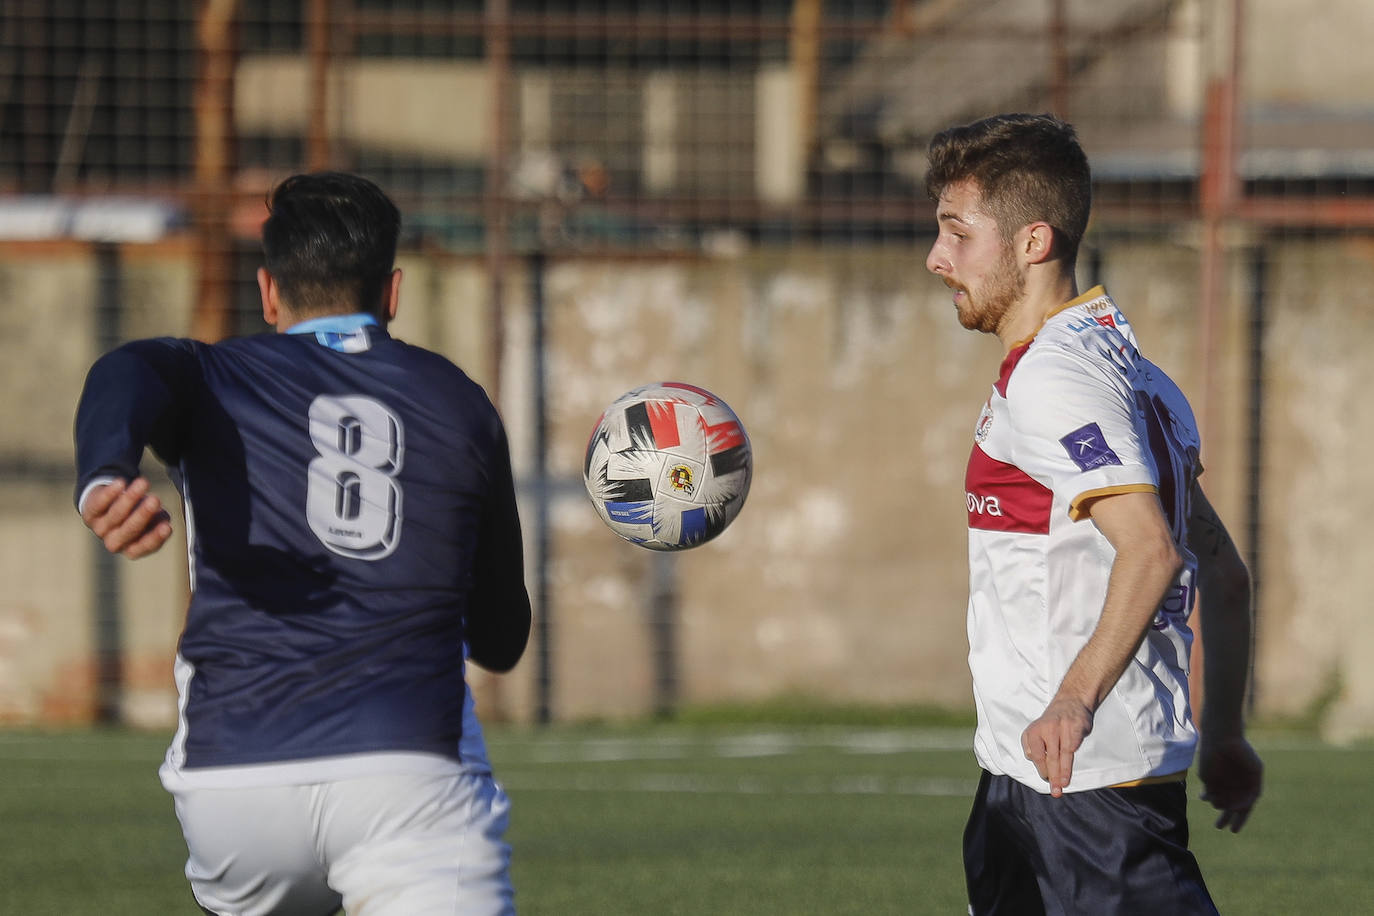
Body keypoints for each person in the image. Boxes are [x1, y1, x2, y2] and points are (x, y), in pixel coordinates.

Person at [74, 172, 532, 916]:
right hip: (407, 775)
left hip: (235, 783)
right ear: (393, 292)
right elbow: (501, 638)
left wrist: (104, 475)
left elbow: (125, 368)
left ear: (268, 292)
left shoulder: (213, 376)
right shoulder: (461, 402)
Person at [924, 113, 1263, 914]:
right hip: (1027, 778)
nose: (937, 258)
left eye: (957, 233)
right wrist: (1222, 736)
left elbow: (1152, 551)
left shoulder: (1057, 379)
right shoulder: (1132, 372)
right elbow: (1226, 574)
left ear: (1033, 241)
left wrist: (1074, 698)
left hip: (1089, 790)